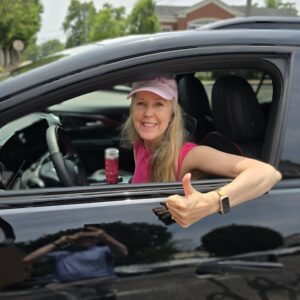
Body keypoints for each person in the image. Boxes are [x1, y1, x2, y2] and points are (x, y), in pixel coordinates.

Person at [122, 77, 282, 228]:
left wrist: (210, 202)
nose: (148, 113)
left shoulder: (189, 155)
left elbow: (268, 173)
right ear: (132, 109)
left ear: (172, 114)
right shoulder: (141, 144)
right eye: (141, 103)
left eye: (159, 104)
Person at [22, 226, 128, 283]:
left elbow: (123, 252)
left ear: (95, 239)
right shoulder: (60, 254)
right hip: (66, 288)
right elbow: (28, 259)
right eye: (80, 237)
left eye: (89, 236)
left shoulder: (104, 250)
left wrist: (106, 237)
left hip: (100, 285)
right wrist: (58, 242)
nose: (85, 239)